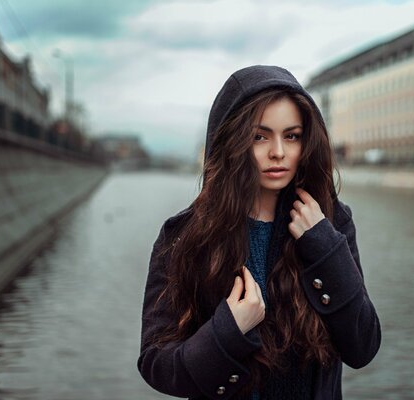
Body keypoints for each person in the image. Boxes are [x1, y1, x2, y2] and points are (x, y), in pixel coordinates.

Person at [138, 65, 381, 400]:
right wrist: (227, 331)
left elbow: (362, 348)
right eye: (259, 136)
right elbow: (156, 364)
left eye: (292, 136)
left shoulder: (331, 223)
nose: (278, 152)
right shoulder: (184, 235)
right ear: (232, 142)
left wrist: (324, 247)